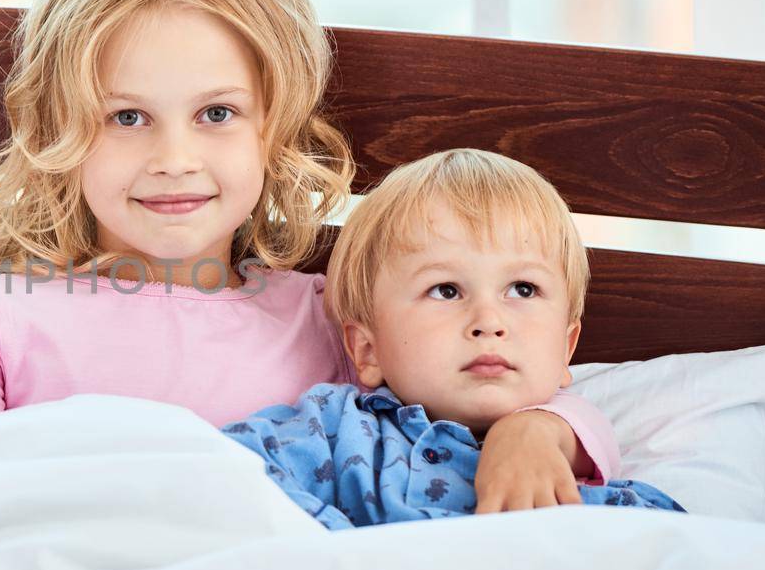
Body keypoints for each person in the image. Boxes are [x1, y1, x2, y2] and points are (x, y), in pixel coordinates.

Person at [0, 0, 618, 507]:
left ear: (272, 128)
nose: (173, 157)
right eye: (126, 118)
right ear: (62, 129)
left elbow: (510, 378)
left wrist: (537, 431)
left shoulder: (338, 318)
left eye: (216, 113)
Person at [221, 149, 681, 528]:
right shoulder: (338, 433)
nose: (488, 321)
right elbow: (217, 479)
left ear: (566, 348)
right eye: (446, 290)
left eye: (523, 288)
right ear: (367, 349)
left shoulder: (588, 490)